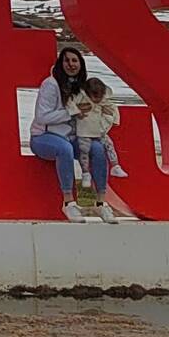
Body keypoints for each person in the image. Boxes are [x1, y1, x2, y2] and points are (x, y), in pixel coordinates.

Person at [29, 45, 116, 223]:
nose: (71, 64)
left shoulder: (82, 86)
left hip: (71, 136)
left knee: (98, 149)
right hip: (43, 137)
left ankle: (100, 203)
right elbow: (42, 116)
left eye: (74, 60)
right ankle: (69, 202)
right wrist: (72, 112)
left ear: (81, 64)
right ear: (60, 63)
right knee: (65, 149)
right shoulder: (50, 84)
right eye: (66, 60)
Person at [71, 77, 121, 192]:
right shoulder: (81, 99)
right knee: (84, 150)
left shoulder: (103, 101)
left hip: (98, 132)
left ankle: (115, 165)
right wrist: (78, 111)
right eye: (95, 97)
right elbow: (72, 107)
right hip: (84, 132)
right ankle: (85, 173)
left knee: (109, 144)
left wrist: (115, 120)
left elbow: (113, 108)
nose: (98, 100)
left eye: (100, 97)